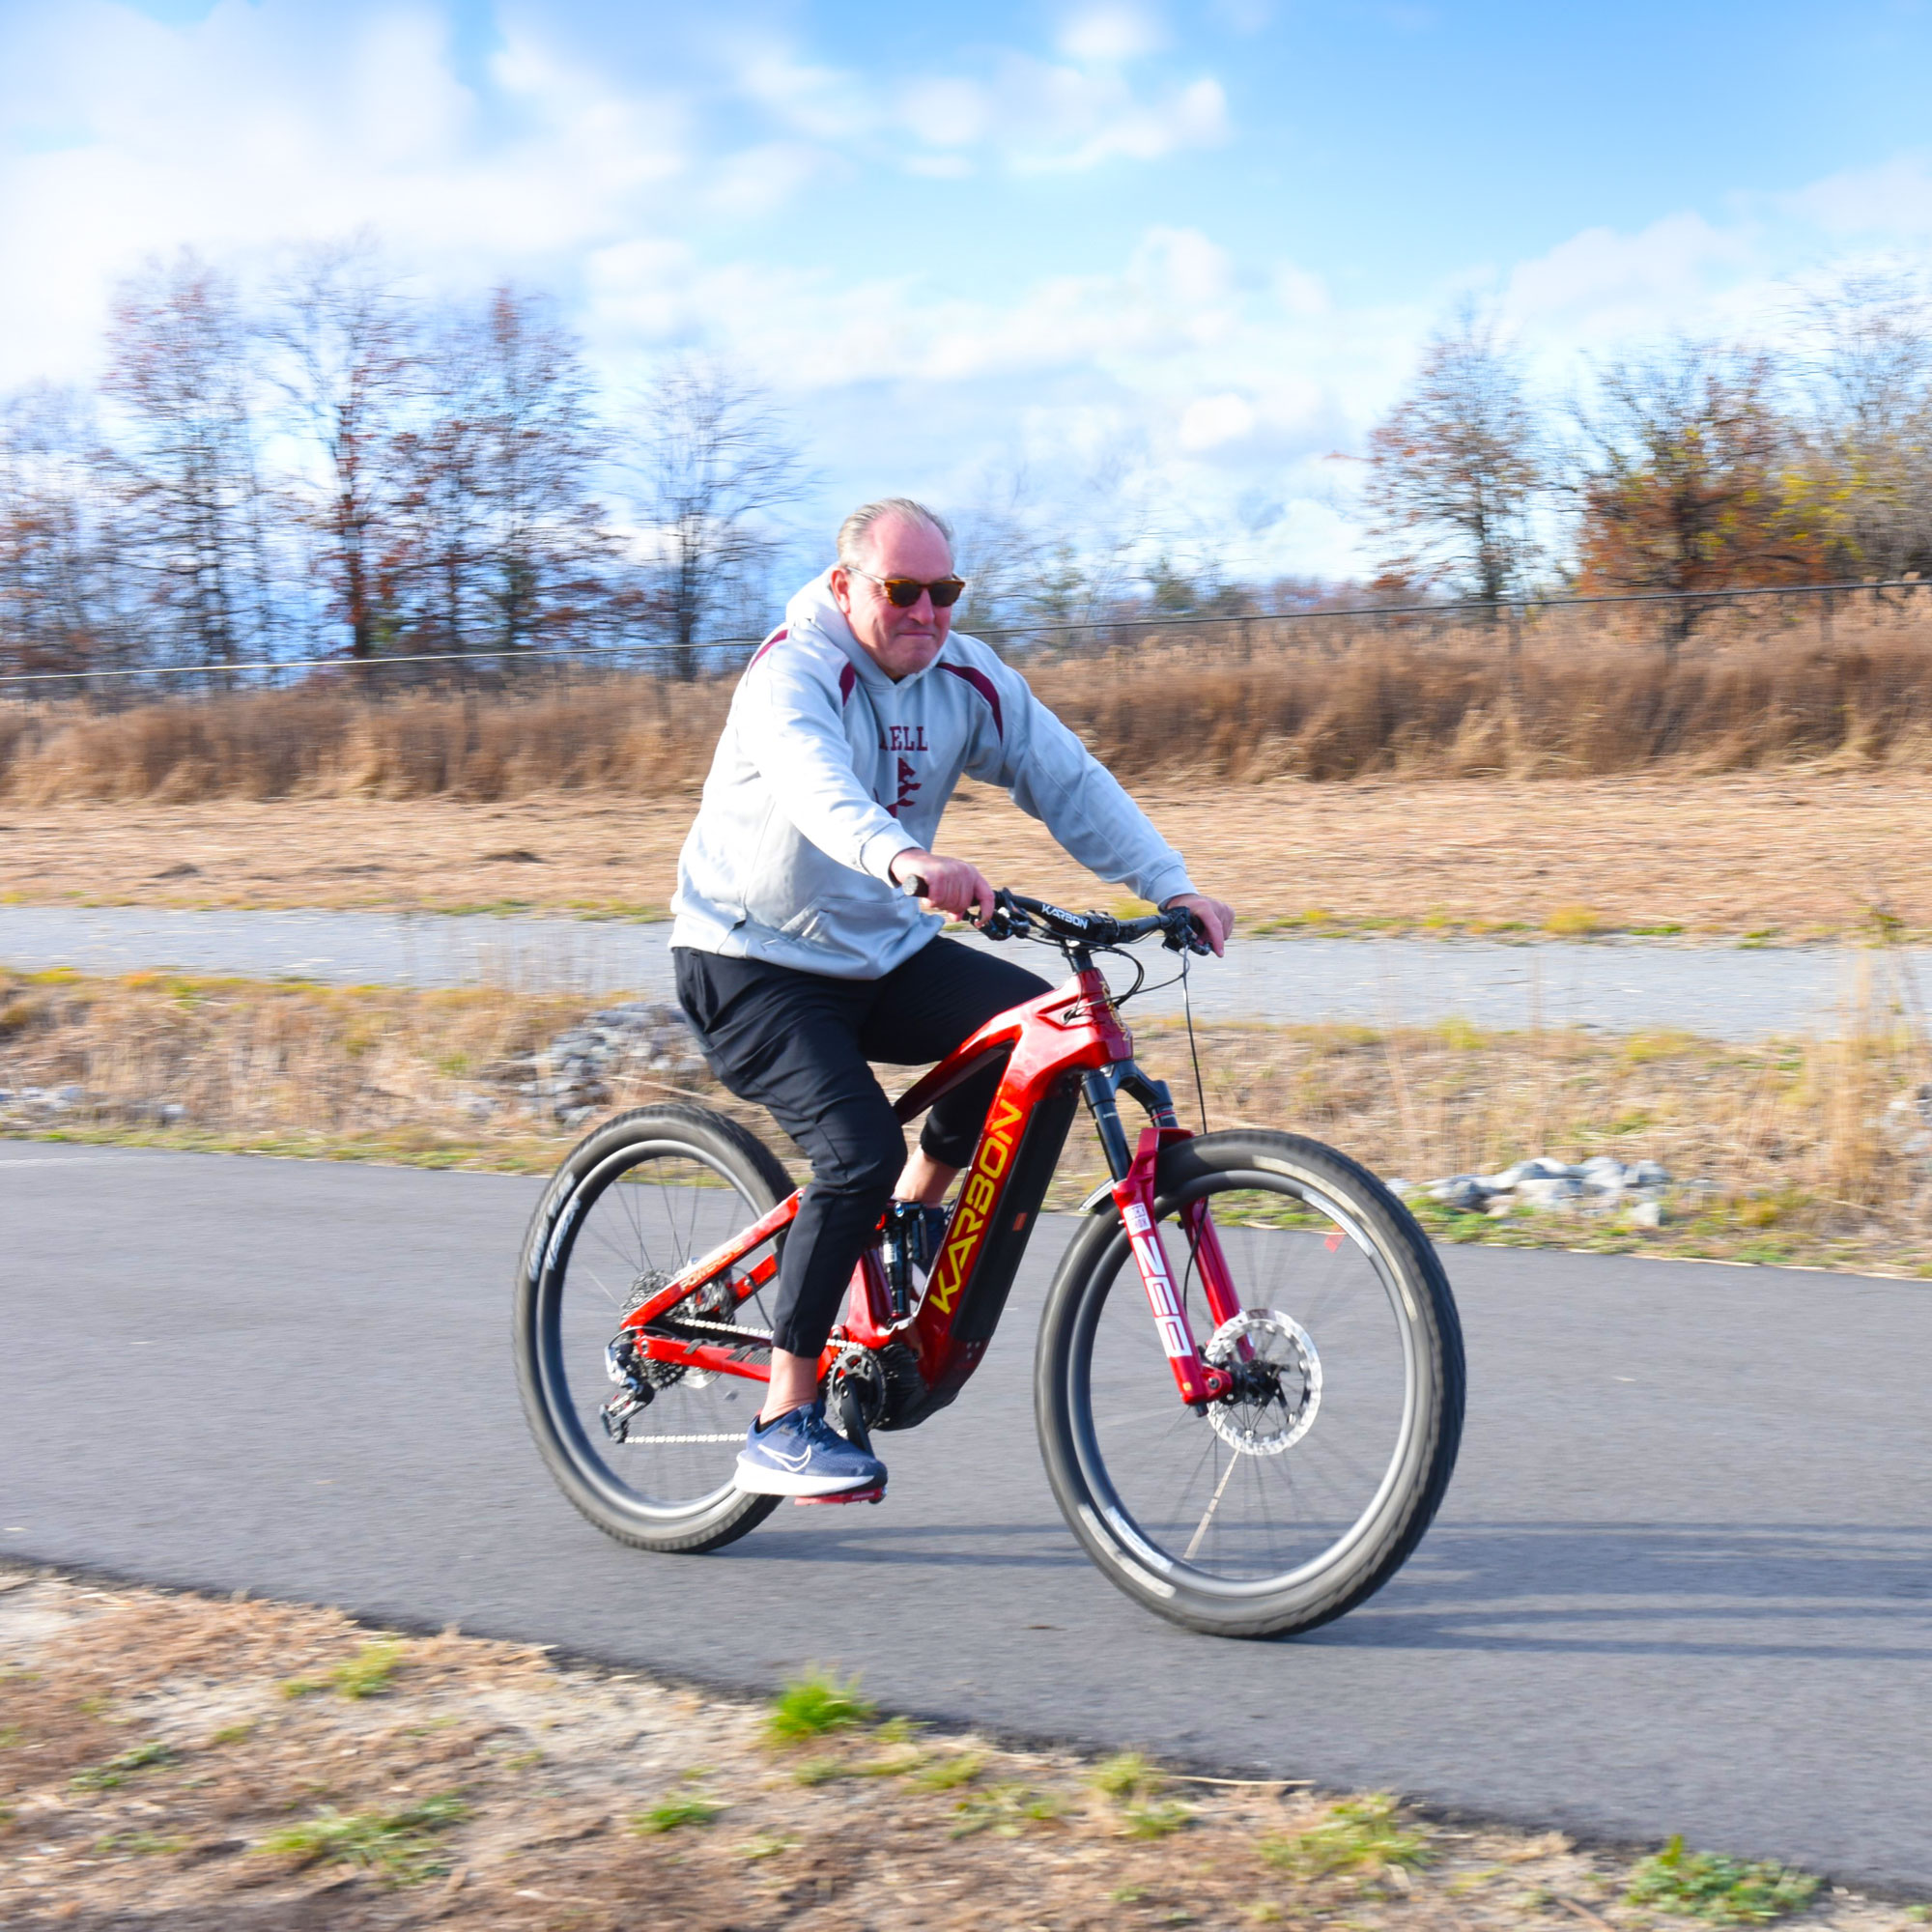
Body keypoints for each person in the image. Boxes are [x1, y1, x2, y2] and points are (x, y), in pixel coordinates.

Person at [670, 497, 1235, 1499]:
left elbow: (1066, 777)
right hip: (749, 961)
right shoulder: (791, 672)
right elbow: (819, 789)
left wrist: (1169, 882)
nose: (926, 610)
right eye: (902, 589)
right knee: (854, 1146)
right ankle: (782, 1416)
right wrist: (906, 857)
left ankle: (907, 1215)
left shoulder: (964, 675)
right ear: (846, 586)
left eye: (944, 590)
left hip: (878, 951)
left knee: (1033, 1034)